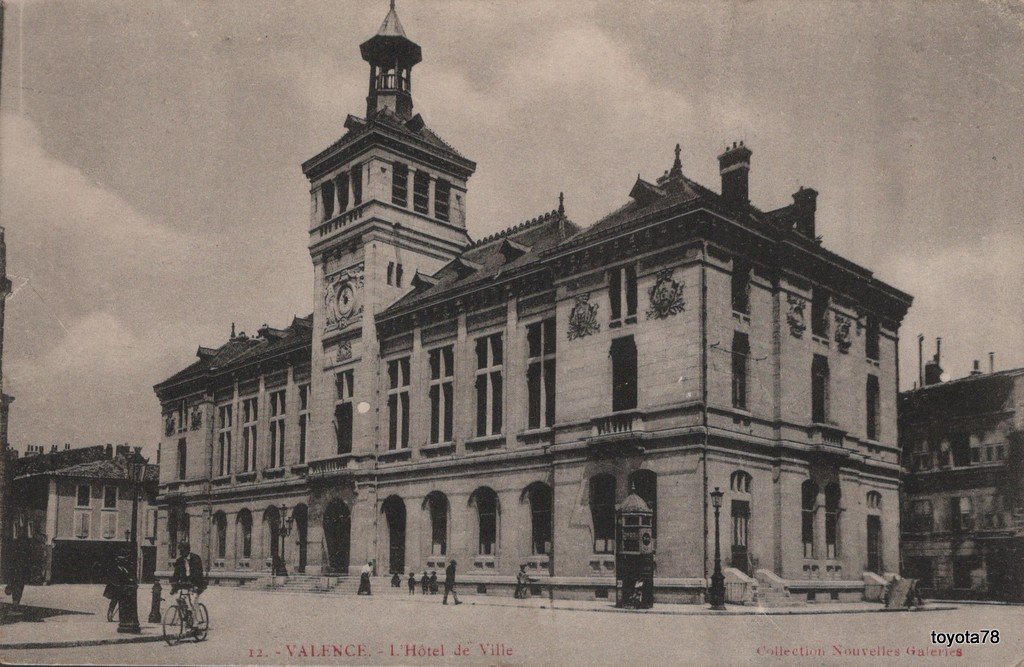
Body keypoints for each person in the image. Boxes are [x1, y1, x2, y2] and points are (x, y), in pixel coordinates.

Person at [170, 540, 206, 624]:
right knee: (178, 597)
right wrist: (174, 585)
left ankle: (195, 623)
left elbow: (198, 573)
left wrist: (195, 584)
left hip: (196, 584)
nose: (181, 552)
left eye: (182, 550)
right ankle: (186, 614)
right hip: (185, 584)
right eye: (180, 550)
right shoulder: (179, 561)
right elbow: (176, 574)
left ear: (187, 550)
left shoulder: (195, 558)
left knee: (193, 601)